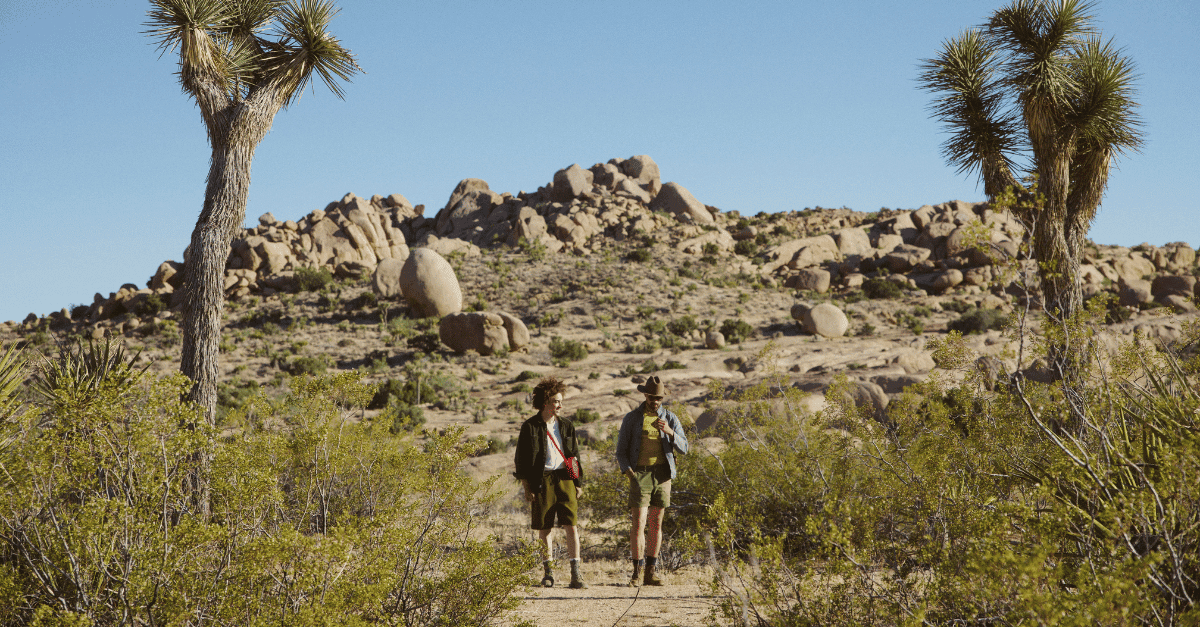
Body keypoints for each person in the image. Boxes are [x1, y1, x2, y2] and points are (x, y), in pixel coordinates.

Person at [513, 376, 587, 589]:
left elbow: (573, 454)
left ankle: (576, 574)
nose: (560, 405)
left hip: (565, 478)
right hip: (542, 480)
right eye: (556, 401)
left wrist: (578, 483)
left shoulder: (566, 425)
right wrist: (527, 487)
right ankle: (548, 573)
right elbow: (521, 460)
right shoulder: (530, 427)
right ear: (545, 402)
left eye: (560, 401)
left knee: (571, 525)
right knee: (544, 528)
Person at [615, 375, 688, 586]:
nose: (654, 401)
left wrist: (669, 432)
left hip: (663, 475)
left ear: (662, 398)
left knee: (656, 524)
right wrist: (629, 472)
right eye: (651, 397)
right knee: (638, 524)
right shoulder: (632, 418)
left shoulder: (670, 418)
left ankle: (650, 572)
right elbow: (621, 451)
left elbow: (684, 448)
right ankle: (636, 573)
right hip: (640, 474)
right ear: (645, 395)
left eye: (658, 398)